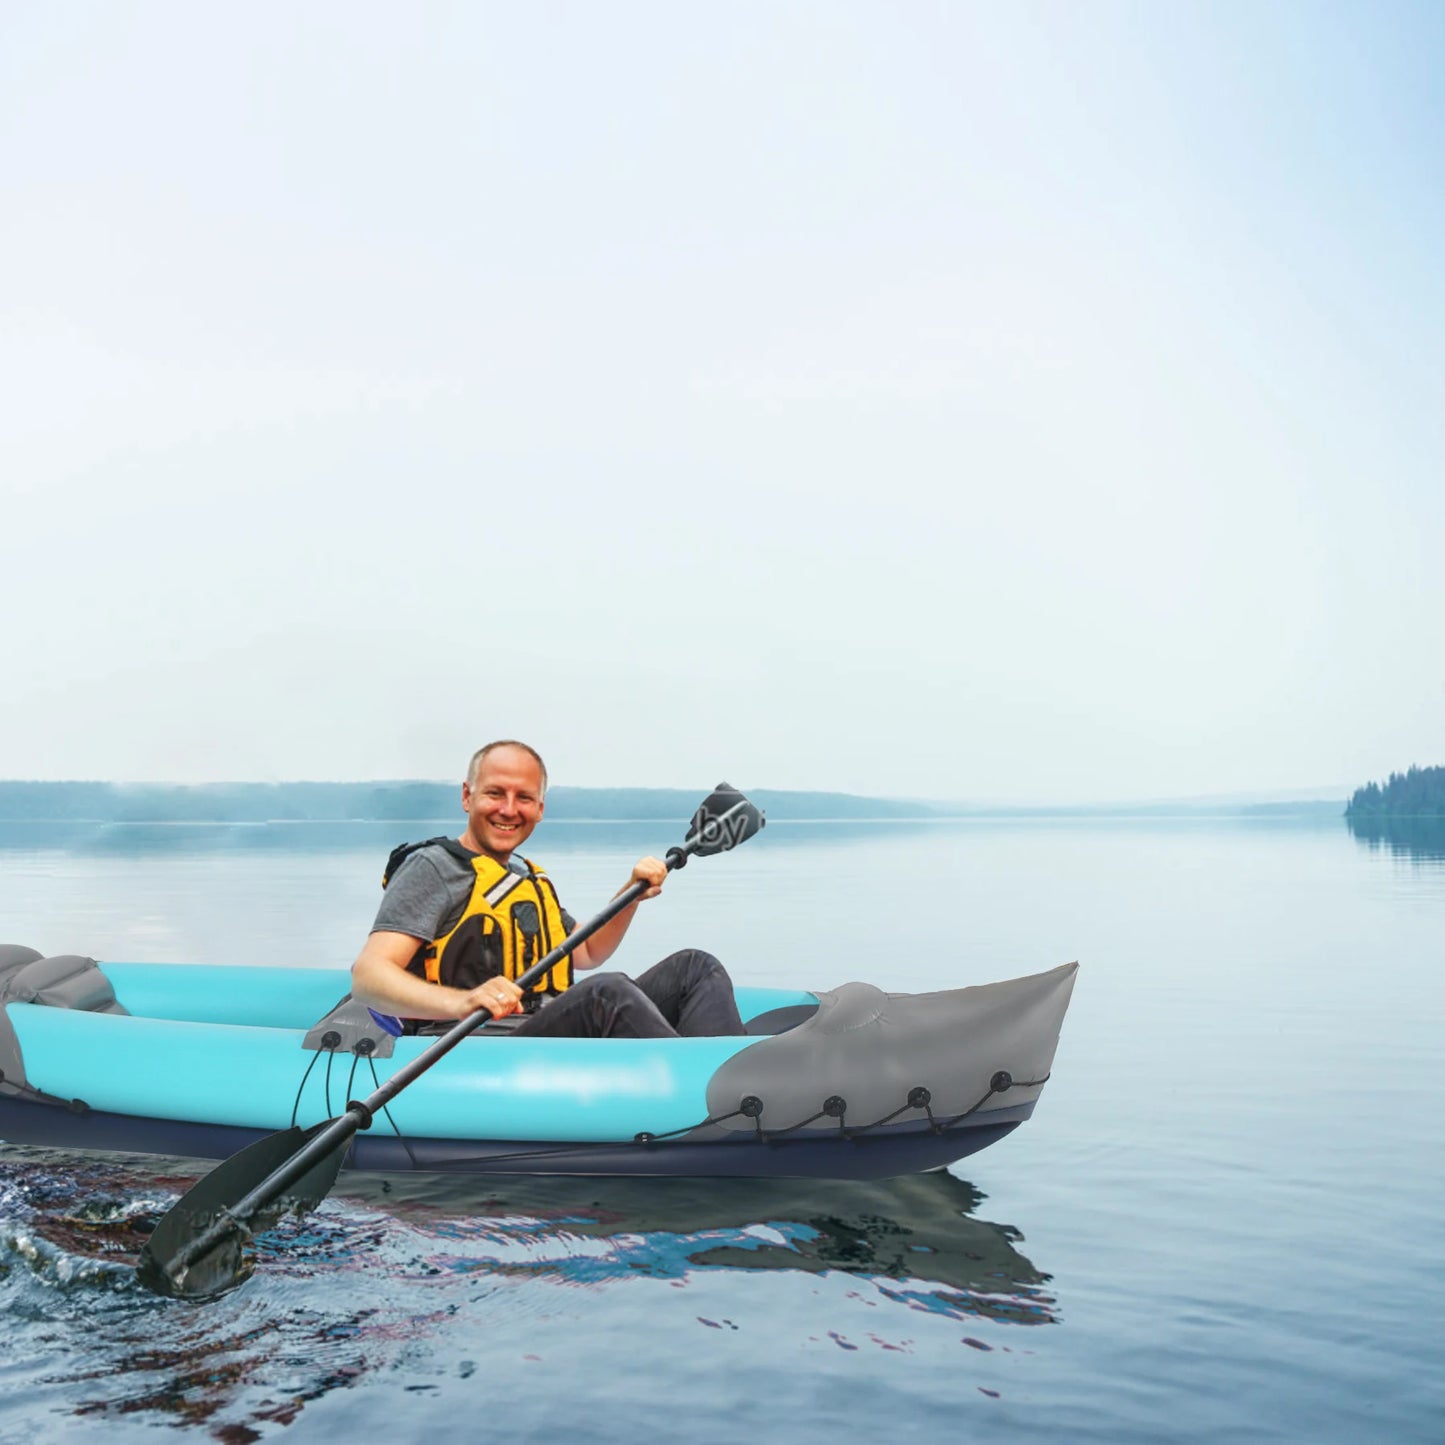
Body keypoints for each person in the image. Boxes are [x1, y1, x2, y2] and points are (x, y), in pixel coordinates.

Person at [350, 740, 745, 1040]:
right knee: (606, 994)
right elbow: (368, 976)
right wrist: (462, 1001)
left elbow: (587, 952)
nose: (509, 809)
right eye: (494, 793)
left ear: (540, 808)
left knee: (695, 966)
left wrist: (632, 895)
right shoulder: (434, 868)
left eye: (524, 797)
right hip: (473, 1047)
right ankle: (707, 1102)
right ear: (467, 797)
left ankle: (737, 1080)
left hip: (541, 1031)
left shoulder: (525, 876)